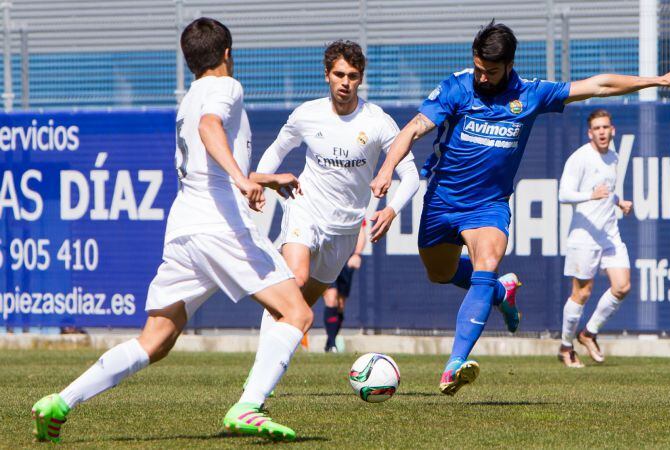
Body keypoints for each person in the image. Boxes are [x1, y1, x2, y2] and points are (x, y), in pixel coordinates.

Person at [370, 20, 670, 395]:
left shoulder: (532, 94)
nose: (482, 77)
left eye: (490, 71)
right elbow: (412, 129)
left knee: (486, 263)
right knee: (439, 274)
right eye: (477, 68)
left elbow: (598, 85)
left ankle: (454, 364)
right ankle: (500, 293)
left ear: (509, 65)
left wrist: (658, 81)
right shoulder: (456, 87)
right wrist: (387, 167)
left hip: (488, 207)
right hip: (442, 201)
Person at [31, 18, 312, 442]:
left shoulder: (188, 100)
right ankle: (249, 405)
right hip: (220, 226)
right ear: (227, 54)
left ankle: (59, 402)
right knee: (296, 310)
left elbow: (204, 159)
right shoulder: (226, 88)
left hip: (184, 230)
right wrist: (242, 179)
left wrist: (264, 178)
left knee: (156, 340)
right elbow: (210, 129)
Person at [249, 40, 419, 371]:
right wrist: (263, 180)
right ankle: (260, 375)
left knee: (299, 307)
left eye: (353, 76)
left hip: (345, 229)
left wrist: (392, 208)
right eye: (339, 74)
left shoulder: (378, 122)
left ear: (360, 79)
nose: (345, 82)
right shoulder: (307, 115)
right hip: (305, 209)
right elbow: (276, 150)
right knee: (293, 282)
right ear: (327, 74)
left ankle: (268, 365)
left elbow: (410, 174)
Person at [557, 109, 633, 368]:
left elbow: (607, 190)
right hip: (584, 235)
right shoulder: (580, 158)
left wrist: (619, 202)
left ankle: (588, 333)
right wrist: (590, 196)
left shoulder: (613, 156)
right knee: (582, 293)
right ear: (590, 133)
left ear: (613, 130)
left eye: (605, 127)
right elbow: (563, 194)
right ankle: (566, 347)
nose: (602, 132)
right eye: (597, 128)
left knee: (622, 286)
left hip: (610, 233)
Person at [322, 221, 367, 352]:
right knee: (331, 297)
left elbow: (361, 232)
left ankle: (331, 342)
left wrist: (357, 254)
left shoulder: (353, 207)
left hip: (345, 261)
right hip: (327, 258)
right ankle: (331, 345)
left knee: (340, 304)